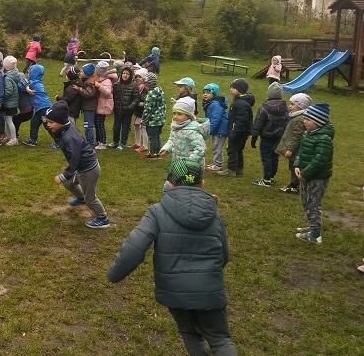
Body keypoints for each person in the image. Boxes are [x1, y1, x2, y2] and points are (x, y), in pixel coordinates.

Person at [107, 159, 235, 356]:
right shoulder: (215, 216)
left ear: (169, 184)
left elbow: (134, 247)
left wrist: (114, 274)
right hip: (210, 291)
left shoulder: (156, 212)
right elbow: (224, 256)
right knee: (220, 340)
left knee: (190, 334)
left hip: (174, 291)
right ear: (202, 184)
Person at [47, 100, 110, 229]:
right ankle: (80, 198)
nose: (48, 125)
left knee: (90, 198)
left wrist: (64, 175)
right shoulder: (66, 127)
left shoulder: (69, 137)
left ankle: (103, 218)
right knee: (69, 183)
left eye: (50, 122)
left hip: (88, 170)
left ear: (60, 122)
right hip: (81, 168)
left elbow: (75, 159)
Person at [294, 103, 334, 244]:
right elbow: (302, 152)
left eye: (309, 119)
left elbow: (320, 160)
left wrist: (305, 174)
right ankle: (311, 226)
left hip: (317, 178)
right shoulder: (308, 134)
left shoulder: (324, 139)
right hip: (305, 175)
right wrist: (297, 165)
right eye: (305, 118)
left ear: (319, 122)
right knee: (305, 201)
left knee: (313, 204)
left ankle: (315, 235)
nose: (304, 121)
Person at [159, 97, 209, 191]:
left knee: (189, 191)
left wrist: (188, 164)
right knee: (174, 188)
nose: (175, 117)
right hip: (178, 166)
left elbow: (201, 149)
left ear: (188, 115)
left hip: (191, 170)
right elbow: (171, 140)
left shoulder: (192, 131)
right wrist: (166, 148)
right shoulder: (175, 127)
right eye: (174, 113)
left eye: (179, 114)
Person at [250, 82, 289, 187]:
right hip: (279, 137)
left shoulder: (264, 108)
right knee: (274, 157)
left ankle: (266, 179)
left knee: (266, 157)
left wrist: (254, 138)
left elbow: (258, 123)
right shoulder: (286, 107)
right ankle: (272, 176)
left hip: (267, 137)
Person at [274, 93, 312, 193]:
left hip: (296, 150)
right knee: (293, 166)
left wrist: (290, 149)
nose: (290, 106)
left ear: (301, 106)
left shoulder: (299, 119)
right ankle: (297, 184)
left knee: (294, 167)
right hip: (295, 149)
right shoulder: (296, 116)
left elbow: (297, 136)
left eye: (292, 104)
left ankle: (294, 185)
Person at [218, 79, 255, 177]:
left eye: (233, 88)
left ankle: (231, 169)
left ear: (240, 89)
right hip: (242, 132)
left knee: (232, 150)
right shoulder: (240, 101)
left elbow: (241, 120)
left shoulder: (240, 104)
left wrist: (234, 132)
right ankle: (239, 168)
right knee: (239, 149)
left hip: (238, 132)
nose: (230, 89)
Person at [108, 66, 140, 150]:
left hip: (127, 112)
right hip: (117, 110)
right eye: (124, 73)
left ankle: (122, 143)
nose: (125, 75)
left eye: (128, 74)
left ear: (131, 75)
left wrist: (130, 107)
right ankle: (115, 142)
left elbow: (136, 98)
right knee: (116, 128)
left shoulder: (133, 86)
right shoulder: (116, 85)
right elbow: (112, 96)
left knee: (125, 128)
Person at [21, 64, 53, 146]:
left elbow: (20, 85)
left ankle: (58, 141)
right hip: (39, 108)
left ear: (33, 73)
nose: (28, 73)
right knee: (34, 123)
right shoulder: (36, 82)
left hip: (44, 108)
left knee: (48, 125)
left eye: (30, 71)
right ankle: (33, 139)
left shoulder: (33, 83)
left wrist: (25, 84)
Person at [202, 83, 229, 172]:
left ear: (214, 94)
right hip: (217, 130)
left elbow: (215, 119)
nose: (205, 94)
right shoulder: (211, 103)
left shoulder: (216, 105)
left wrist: (209, 130)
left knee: (217, 147)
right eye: (204, 92)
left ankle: (218, 164)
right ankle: (216, 163)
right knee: (215, 146)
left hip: (220, 130)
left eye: (208, 92)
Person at [54, 66, 83, 149]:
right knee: (69, 127)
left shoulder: (72, 87)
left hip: (71, 110)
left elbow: (68, 99)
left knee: (70, 128)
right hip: (72, 110)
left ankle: (72, 143)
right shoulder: (74, 85)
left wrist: (58, 98)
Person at [141, 73, 166, 159]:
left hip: (153, 121)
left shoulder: (150, 95)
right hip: (161, 119)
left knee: (152, 137)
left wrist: (144, 120)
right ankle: (157, 152)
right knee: (157, 136)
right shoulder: (160, 91)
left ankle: (153, 153)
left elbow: (147, 109)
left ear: (149, 84)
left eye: (145, 84)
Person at [73, 63, 98, 147]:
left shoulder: (90, 82)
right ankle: (89, 143)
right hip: (87, 107)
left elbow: (89, 94)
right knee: (87, 126)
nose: (80, 72)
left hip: (89, 108)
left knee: (88, 126)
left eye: (82, 71)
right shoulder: (86, 81)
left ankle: (90, 144)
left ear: (87, 73)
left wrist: (79, 89)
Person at [94, 61, 116, 150]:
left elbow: (107, 92)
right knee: (97, 123)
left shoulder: (106, 81)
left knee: (100, 124)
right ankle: (98, 140)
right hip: (99, 105)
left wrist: (99, 86)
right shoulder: (101, 79)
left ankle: (102, 142)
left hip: (103, 106)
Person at [1, 56, 22, 146]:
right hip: (13, 101)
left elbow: (9, 91)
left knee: (9, 120)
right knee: (8, 119)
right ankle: (9, 136)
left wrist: (3, 98)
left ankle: (13, 138)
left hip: (9, 102)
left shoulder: (8, 78)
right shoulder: (15, 73)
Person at [130, 68, 149, 153]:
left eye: (140, 77)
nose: (137, 78)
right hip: (138, 111)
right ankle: (137, 142)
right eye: (136, 76)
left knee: (143, 128)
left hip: (144, 111)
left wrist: (140, 103)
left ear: (144, 78)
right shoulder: (135, 87)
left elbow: (146, 100)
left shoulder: (145, 88)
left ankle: (145, 146)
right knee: (136, 126)